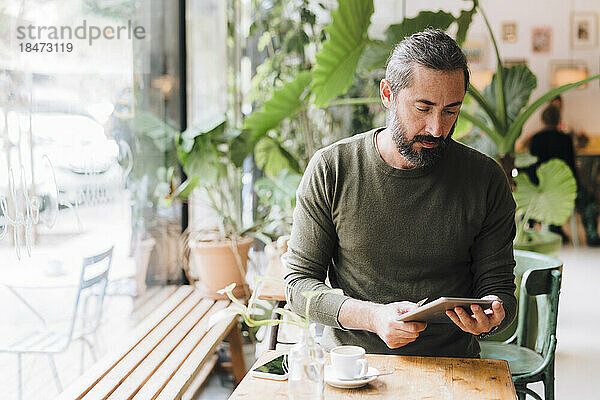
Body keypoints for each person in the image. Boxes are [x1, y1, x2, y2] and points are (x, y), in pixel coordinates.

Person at [283, 30, 517, 358]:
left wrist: (493, 316)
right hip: (355, 367)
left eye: (451, 110)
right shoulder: (332, 168)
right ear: (387, 94)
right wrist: (373, 317)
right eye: (423, 108)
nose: (437, 128)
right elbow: (298, 286)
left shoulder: (486, 179)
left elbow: (500, 291)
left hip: (454, 368)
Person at [527, 105, 600, 246]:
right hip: (565, 189)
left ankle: (554, 229)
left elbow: (531, 167)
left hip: (541, 190)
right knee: (588, 198)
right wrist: (578, 184)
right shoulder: (565, 139)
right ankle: (591, 235)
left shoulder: (536, 139)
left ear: (543, 120)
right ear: (558, 119)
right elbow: (571, 166)